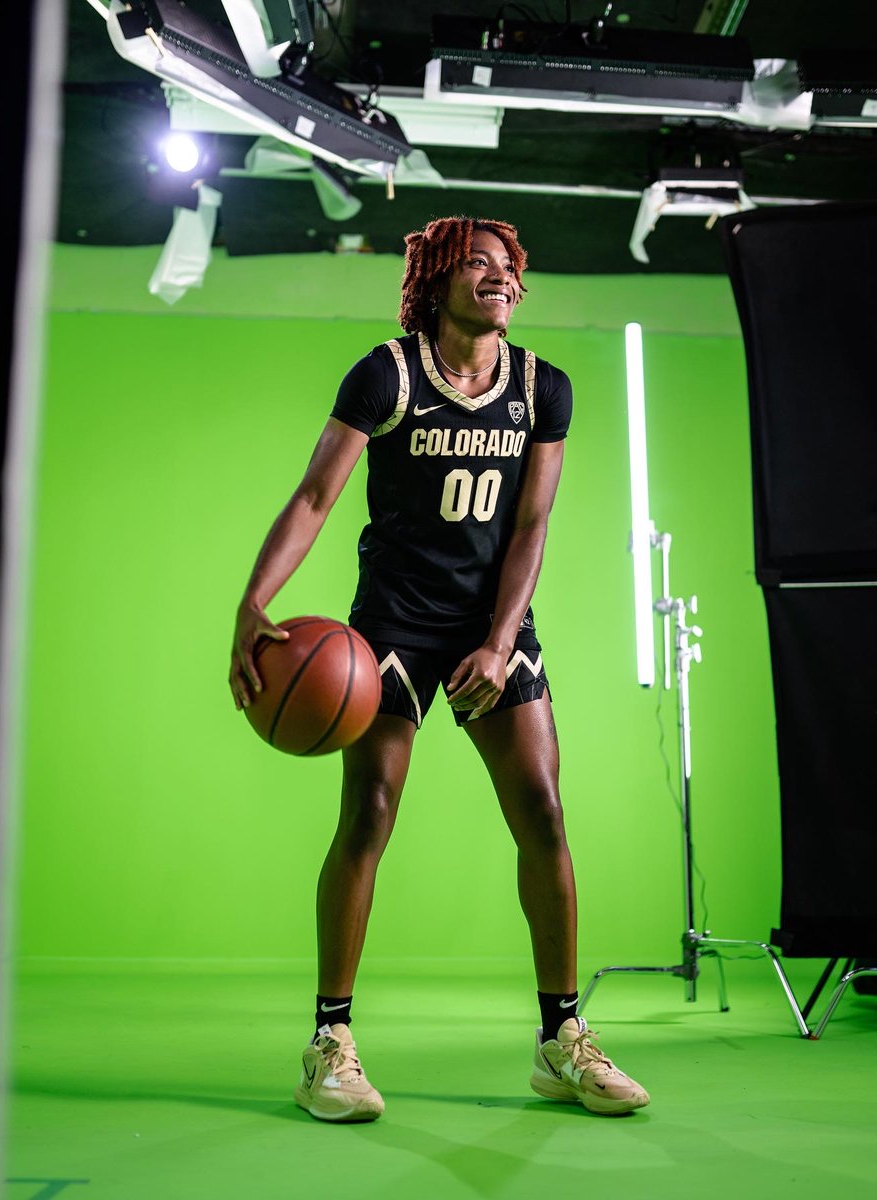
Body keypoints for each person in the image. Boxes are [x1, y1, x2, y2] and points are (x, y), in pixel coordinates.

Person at [228, 215, 650, 1122]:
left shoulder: (543, 388)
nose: (498, 277)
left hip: (490, 624)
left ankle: (562, 1040)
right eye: (478, 264)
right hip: (394, 628)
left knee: (543, 811)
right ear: (437, 279)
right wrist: (252, 603)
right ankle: (329, 1044)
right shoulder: (387, 374)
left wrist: (501, 642)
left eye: (509, 267)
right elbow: (315, 495)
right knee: (369, 812)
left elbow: (531, 527)